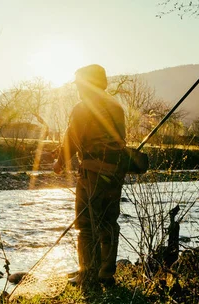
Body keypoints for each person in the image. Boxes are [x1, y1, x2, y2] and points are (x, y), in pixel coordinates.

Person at [53, 64, 126, 289]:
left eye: (79, 84)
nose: (78, 89)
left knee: (85, 225)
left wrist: (59, 164)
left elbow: (71, 141)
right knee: (109, 222)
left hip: (92, 173)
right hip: (116, 173)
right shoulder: (117, 106)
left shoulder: (82, 108)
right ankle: (106, 273)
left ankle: (87, 275)